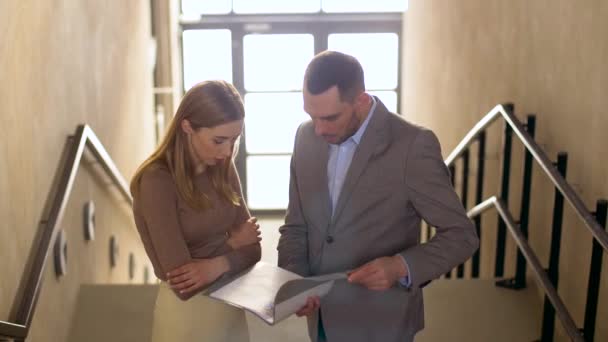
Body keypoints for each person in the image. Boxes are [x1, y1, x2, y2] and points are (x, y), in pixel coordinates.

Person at [277, 51, 479, 342]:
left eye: (330, 117)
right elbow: (297, 226)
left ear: (361, 100)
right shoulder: (304, 137)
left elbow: (461, 235)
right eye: (311, 115)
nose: (319, 129)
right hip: (321, 321)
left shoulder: (413, 146)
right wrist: (295, 282)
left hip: (382, 325)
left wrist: (401, 266)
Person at [130, 80, 261, 342]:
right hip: (187, 320)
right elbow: (183, 283)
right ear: (187, 126)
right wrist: (232, 244)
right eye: (219, 140)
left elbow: (254, 250)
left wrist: (215, 264)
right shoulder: (157, 181)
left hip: (231, 311)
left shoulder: (223, 168)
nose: (227, 152)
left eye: (234, 140)